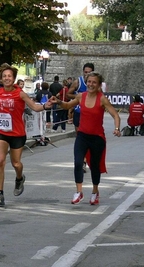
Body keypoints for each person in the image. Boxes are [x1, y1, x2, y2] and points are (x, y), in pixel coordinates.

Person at [0, 63, 53, 207]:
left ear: (13, 78)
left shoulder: (20, 93)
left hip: (17, 133)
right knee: (0, 161)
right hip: (0, 131)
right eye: (4, 76)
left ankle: (19, 178)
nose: (6, 78)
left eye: (9, 76)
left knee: (16, 164)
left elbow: (34, 107)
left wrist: (45, 106)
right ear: (1, 78)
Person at [50, 72, 121, 206]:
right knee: (78, 163)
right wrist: (58, 101)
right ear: (86, 82)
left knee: (94, 166)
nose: (91, 84)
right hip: (82, 136)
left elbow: (115, 115)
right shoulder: (80, 96)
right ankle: (79, 192)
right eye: (89, 82)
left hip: (97, 138)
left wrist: (117, 128)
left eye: (94, 82)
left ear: (99, 85)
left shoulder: (102, 99)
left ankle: (95, 192)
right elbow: (67, 106)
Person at [68, 63, 95, 134]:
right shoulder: (78, 82)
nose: (87, 74)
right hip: (79, 111)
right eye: (85, 72)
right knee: (79, 133)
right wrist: (79, 97)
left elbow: (100, 95)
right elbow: (68, 94)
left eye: (89, 72)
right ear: (83, 72)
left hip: (90, 111)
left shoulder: (95, 83)